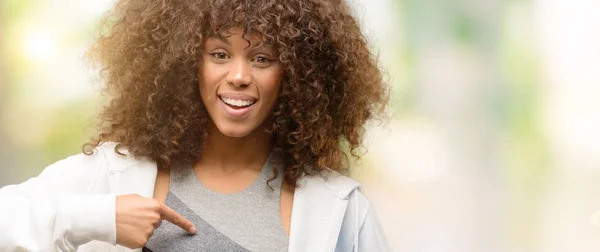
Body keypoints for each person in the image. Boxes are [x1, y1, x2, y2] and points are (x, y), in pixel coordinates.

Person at [0, 0, 390, 251]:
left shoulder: (340, 209)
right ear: (186, 63)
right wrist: (99, 218)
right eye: (219, 54)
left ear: (298, 75)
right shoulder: (111, 174)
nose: (238, 75)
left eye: (262, 58)